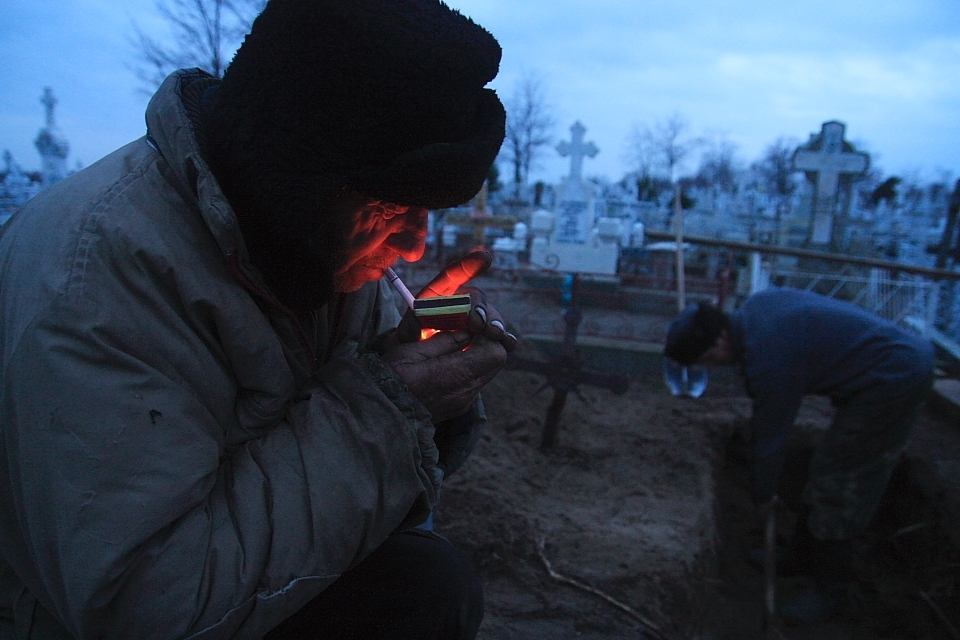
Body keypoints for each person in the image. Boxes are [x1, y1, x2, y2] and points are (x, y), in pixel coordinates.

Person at [0, 0, 517, 638]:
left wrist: (434, 389)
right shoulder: (98, 278)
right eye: (394, 205)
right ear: (296, 174)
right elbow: (141, 607)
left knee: (423, 581)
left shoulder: (313, 246)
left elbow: (385, 471)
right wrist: (383, 409)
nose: (414, 245)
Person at [664, 288, 934, 624]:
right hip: (881, 368)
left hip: (894, 377)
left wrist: (763, 497)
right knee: (826, 465)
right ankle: (800, 557)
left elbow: (771, 437)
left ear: (720, 337)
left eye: (707, 359)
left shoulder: (770, 356)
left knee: (841, 481)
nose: (713, 366)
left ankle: (831, 591)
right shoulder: (757, 310)